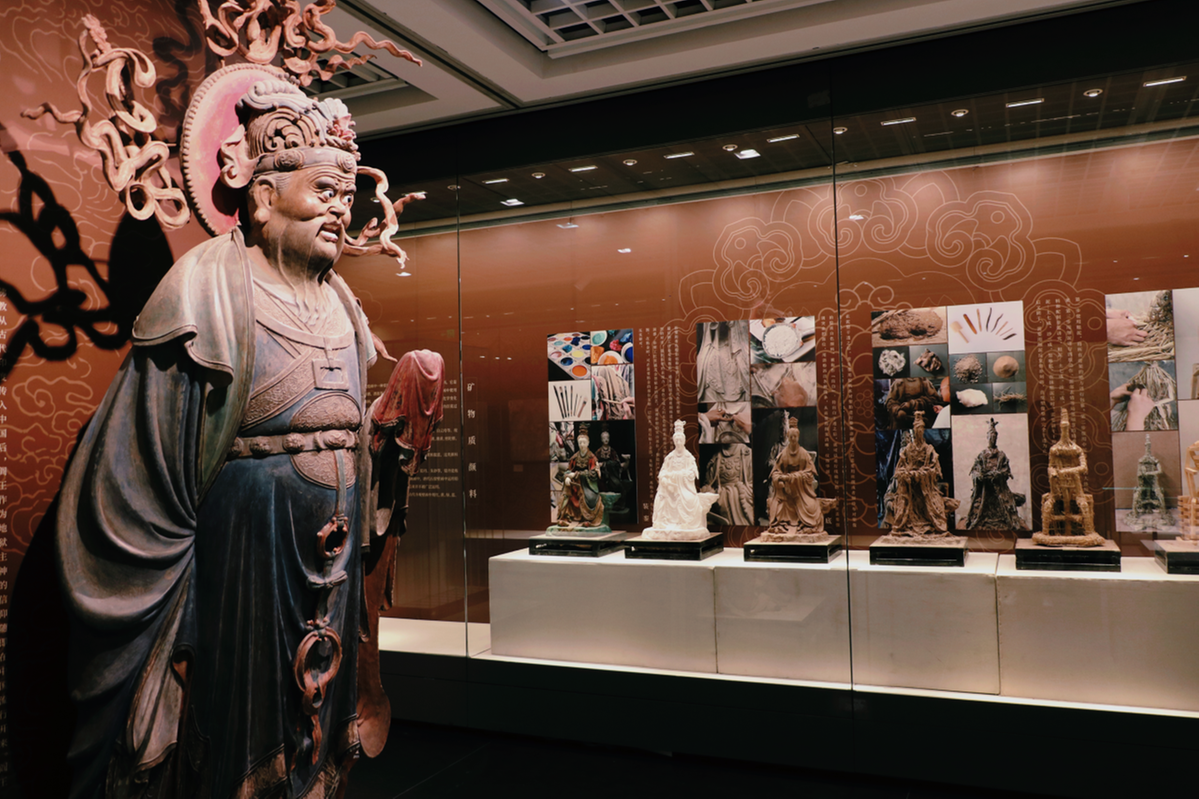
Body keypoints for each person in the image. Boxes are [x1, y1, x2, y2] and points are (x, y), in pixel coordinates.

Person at [55, 79, 443, 798]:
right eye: (324, 189)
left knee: (316, 729)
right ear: (262, 196)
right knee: (243, 732)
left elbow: (346, 429)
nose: (341, 208)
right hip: (243, 566)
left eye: (348, 195)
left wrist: (383, 448)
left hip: (328, 568)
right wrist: (180, 575)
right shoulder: (206, 288)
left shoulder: (341, 302)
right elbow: (138, 463)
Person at [643, 420, 717, 539]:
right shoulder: (670, 457)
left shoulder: (688, 457)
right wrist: (666, 479)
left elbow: (692, 473)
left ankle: (685, 523)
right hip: (670, 487)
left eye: (680, 440)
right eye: (676, 440)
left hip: (684, 487)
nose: (678, 442)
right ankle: (662, 523)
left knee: (688, 499)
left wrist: (678, 476)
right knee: (660, 498)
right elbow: (662, 473)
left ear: (684, 440)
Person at [888, 411, 952, 535]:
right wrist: (905, 473)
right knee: (901, 500)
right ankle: (904, 524)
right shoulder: (908, 449)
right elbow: (899, 468)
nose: (918, 432)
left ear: (923, 431)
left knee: (934, 503)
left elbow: (936, 470)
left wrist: (923, 474)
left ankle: (931, 523)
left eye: (920, 429)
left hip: (926, 486)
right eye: (916, 429)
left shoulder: (929, 449)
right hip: (909, 485)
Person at [963, 419, 1026, 531]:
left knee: (1006, 505)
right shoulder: (982, 455)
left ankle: (1006, 522)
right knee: (979, 506)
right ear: (987, 438)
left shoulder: (1001, 455)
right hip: (985, 488)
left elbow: (1006, 471)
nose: (992, 439)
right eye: (990, 437)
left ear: (996, 438)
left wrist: (997, 475)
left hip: (998, 487)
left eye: (994, 437)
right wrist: (979, 476)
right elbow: (975, 470)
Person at [765, 417, 824, 534]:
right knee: (778, 507)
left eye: (795, 437)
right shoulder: (783, 454)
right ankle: (782, 526)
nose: (792, 439)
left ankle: (806, 525)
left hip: (801, 491)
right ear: (788, 437)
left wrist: (794, 477)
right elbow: (775, 471)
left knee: (811, 507)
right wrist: (779, 480)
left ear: (798, 437)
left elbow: (809, 473)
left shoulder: (803, 454)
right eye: (790, 437)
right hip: (786, 492)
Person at [554, 424, 605, 528]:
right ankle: (565, 517)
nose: (582, 445)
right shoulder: (574, 457)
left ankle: (587, 519)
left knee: (589, 498)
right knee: (566, 493)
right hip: (575, 484)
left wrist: (577, 475)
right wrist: (567, 477)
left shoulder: (591, 457)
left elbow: (593, 473)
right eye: (580, 443)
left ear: (588, 443)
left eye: (584, 442)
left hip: (587, 485)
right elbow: (568, 470)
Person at [702, 433, 755, 525]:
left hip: (740, 493)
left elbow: (753, 484)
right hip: (719, 493)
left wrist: (733, 491)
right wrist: (712, 491)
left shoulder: (747, 454)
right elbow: (709, 483)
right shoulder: (716, 457)